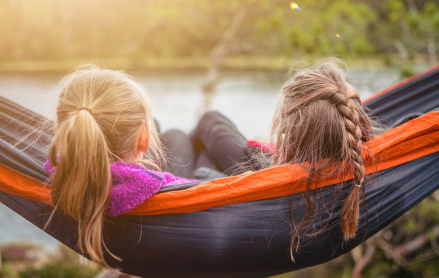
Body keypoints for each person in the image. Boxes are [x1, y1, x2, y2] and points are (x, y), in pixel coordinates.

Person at [164, 58, 375, 257]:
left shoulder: (278, 192)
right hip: (272, 170)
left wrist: (279, 160)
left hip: (259, 180)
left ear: (288, 136)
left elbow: (204, 176)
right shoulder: (366, 161)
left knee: (179, 135)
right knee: (207, 126)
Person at [43, 65, 197, 268]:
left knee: (168, 130)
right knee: (196, 127)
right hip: (186, 198)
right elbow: (208, 188)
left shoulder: (59, 174)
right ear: (144, 138)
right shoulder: (174, 187)